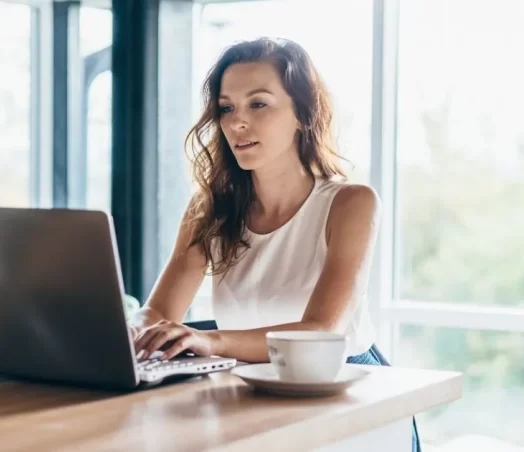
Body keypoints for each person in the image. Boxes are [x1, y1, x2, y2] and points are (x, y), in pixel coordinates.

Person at [127, 37, 420, 451]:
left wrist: (209, 341)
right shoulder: (209, 209)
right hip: (249, 391)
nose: (236, 123)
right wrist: (130, 333)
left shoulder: (351, 203)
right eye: (227, 108)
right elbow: (157, 311)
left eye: (258, 104)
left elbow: (321, 331)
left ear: (303, 112)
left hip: (349, 396)